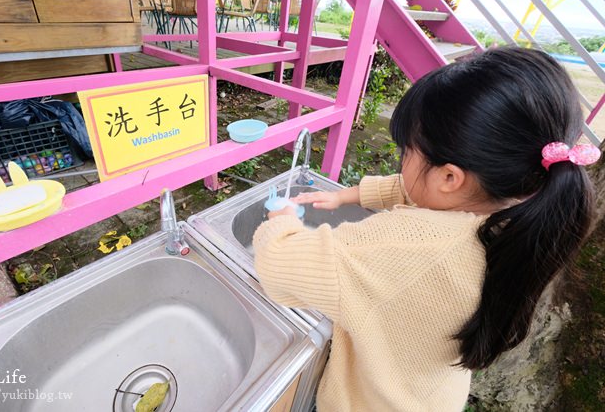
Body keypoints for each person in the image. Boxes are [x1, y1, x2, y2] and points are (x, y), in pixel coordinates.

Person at [253, 47, 600, 411]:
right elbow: (428, 194)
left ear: (450, 176)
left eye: (407, 152)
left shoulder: (404, 247)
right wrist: (351, 196)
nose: (402, 161)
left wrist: (282, 220)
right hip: (432, 396)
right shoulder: (526, 215)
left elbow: (279, 264)